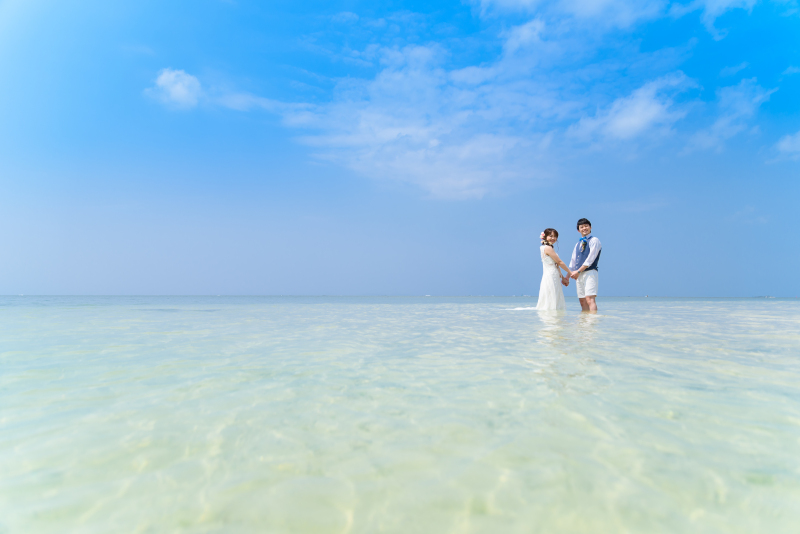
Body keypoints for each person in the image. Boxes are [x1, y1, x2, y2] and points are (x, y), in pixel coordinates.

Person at [536, 228, 573, 311]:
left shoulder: (547, 248)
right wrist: (570, 272)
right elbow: (559, 262)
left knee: (553, 296)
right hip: (551, 275)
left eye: (555, 236)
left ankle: (553, 319)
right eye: (551, 236)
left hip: (552, 274)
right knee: (552, 296)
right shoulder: (547, 248)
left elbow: (556, 266)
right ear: (545, 236)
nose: (553, 238)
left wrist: (563, 278)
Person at [569, 218, 601, 313]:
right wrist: (567, 277)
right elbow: (573, 261)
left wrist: (578, 271)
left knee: (590, 299)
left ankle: (592, 322)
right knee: (582, 301)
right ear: (578, 230)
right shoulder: (577, 244)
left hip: (590, 272)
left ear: (590, 227)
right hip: (579, 275)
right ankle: (584, 323)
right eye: (581, 227)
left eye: (586, 226)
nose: (584, 228)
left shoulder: (594, 240)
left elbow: (590, 259)